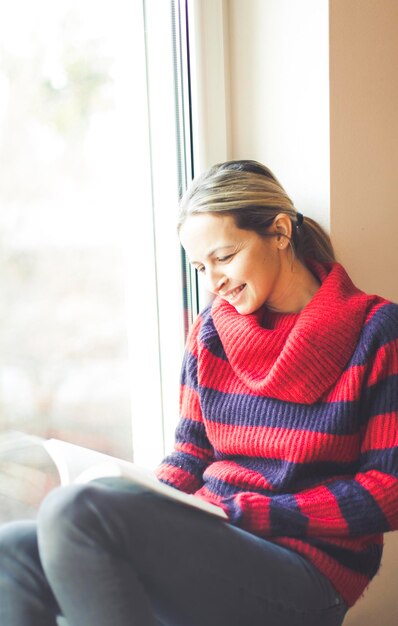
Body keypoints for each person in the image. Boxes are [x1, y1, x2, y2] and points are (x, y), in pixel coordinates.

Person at [0, 159, 397, 626]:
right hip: (220, 536)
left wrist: (252, 512)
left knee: (77, 512)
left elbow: (387, 491)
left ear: (281, 232)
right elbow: (190, 455)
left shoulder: (376, 330)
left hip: (307, 571)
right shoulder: (211, 331)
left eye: (225, 257)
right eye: (199, 266)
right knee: (14, 551)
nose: (213, 282)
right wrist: (139, 493)